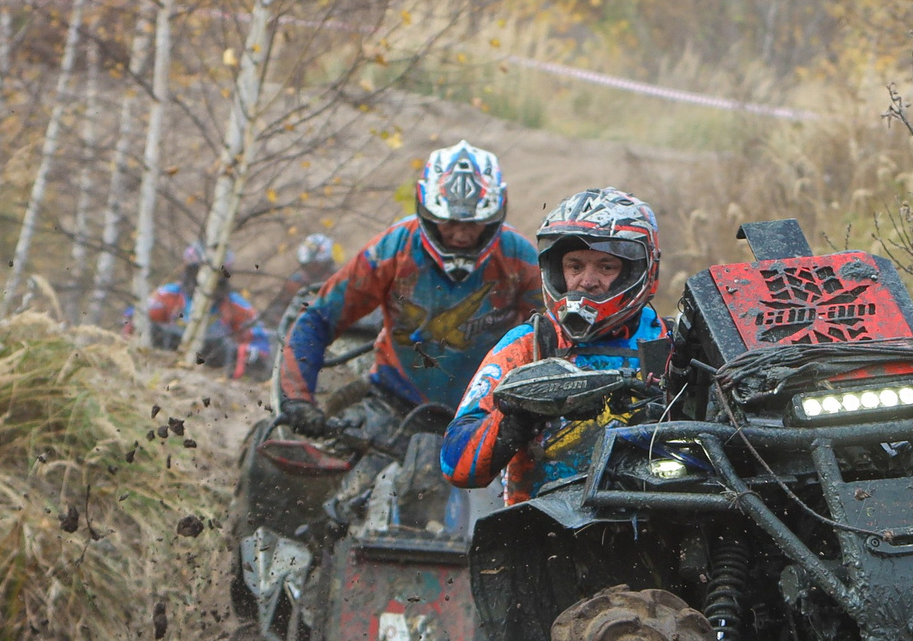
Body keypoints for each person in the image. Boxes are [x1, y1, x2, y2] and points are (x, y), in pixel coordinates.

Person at [276, 142, 541, 435]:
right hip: (393, 404)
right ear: (427, 211)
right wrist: (298, 400)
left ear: (494, 216)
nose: (461, 233)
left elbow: (555, 335)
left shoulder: (520, 258)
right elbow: (319, 317)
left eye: (474, 224)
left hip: (488, 413)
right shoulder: (394, 248)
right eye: (448, 221)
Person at [442, 187, 664, 506]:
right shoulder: (530, 344)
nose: (586, 281)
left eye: (605, 267)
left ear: (639, 271)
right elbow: (456, 466)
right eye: (575, 266)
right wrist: (516, 415)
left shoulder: (669, 343)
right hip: (542, 530)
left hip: (652, 520)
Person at [141, 242, 271, 381]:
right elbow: (136, 320)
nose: (206, 281)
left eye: (215, 275)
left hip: (215, 369)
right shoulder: (168, 295)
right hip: (167, 363)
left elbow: (261, 345)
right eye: (200, 273)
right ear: (190, 272)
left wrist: (238, 354)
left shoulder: (237, 306)